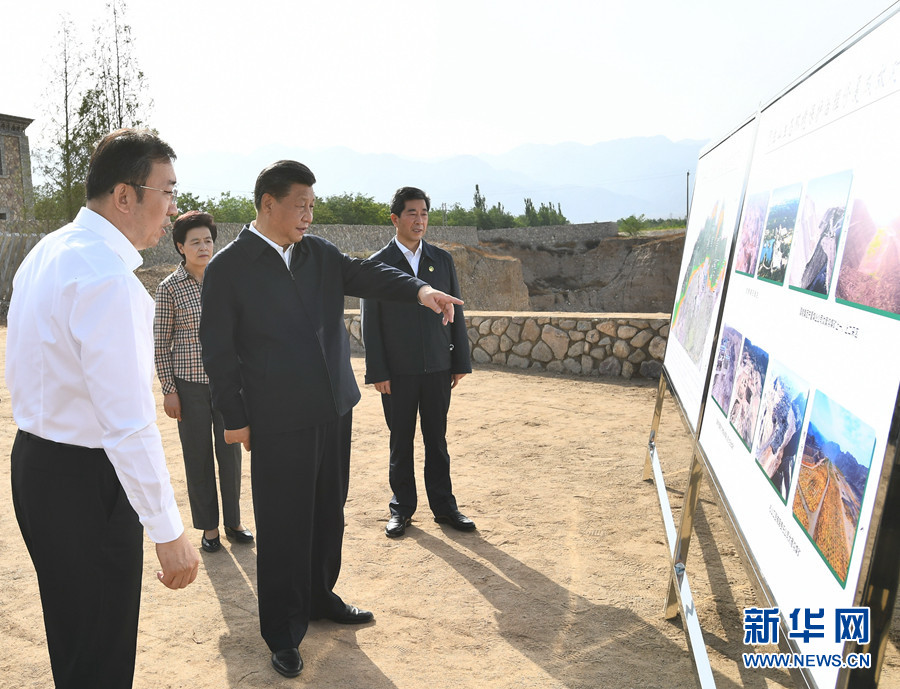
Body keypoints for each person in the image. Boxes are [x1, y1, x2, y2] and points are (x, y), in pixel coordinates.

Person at [198, 160, 463, 678]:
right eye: (301, 205)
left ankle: (321, 597)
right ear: (268, 203)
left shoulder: (318, 252)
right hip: (278, 417)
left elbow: (368, 273)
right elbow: (218, 349)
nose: (308, 215)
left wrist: (420, 291)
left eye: (312, 206)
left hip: (333, 407)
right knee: (283, 522)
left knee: (327, 510)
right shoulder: (230, 267)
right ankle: (282, 630)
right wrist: (236, 416)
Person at [6, 128, 200, 689]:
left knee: (74, 638)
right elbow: (128, 424)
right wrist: (167, 530)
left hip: (37, 464)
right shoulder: (108, 280)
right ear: (124, 196)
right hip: (85, 483)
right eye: (167, 191)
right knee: (100, 653)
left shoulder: (48, 251)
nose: (173, 208)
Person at [361, 186, 475, 538]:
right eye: (412, 213)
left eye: (424, 213)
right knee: (401, 442)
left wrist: (459, 361)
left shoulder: (442, 260)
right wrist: (378, 371)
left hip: (438, 367)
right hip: (397, 373)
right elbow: (370, 323)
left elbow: (455, 311)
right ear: (395, 219)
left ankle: (445, 508)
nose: (419, 220)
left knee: (436, 441)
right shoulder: (377, 264)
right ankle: (402, 509)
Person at [154, 210, 253, 553]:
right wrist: (169, 390)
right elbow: (160, 344)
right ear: (180, 247)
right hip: (189, 387)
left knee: (231, 454)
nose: (203, 247)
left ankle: (234, 522)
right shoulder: (169, 288)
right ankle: (209, 528)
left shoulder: (227, 280)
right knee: (198, 457)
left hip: (227, 384)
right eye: (194, 241)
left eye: (208, 240)